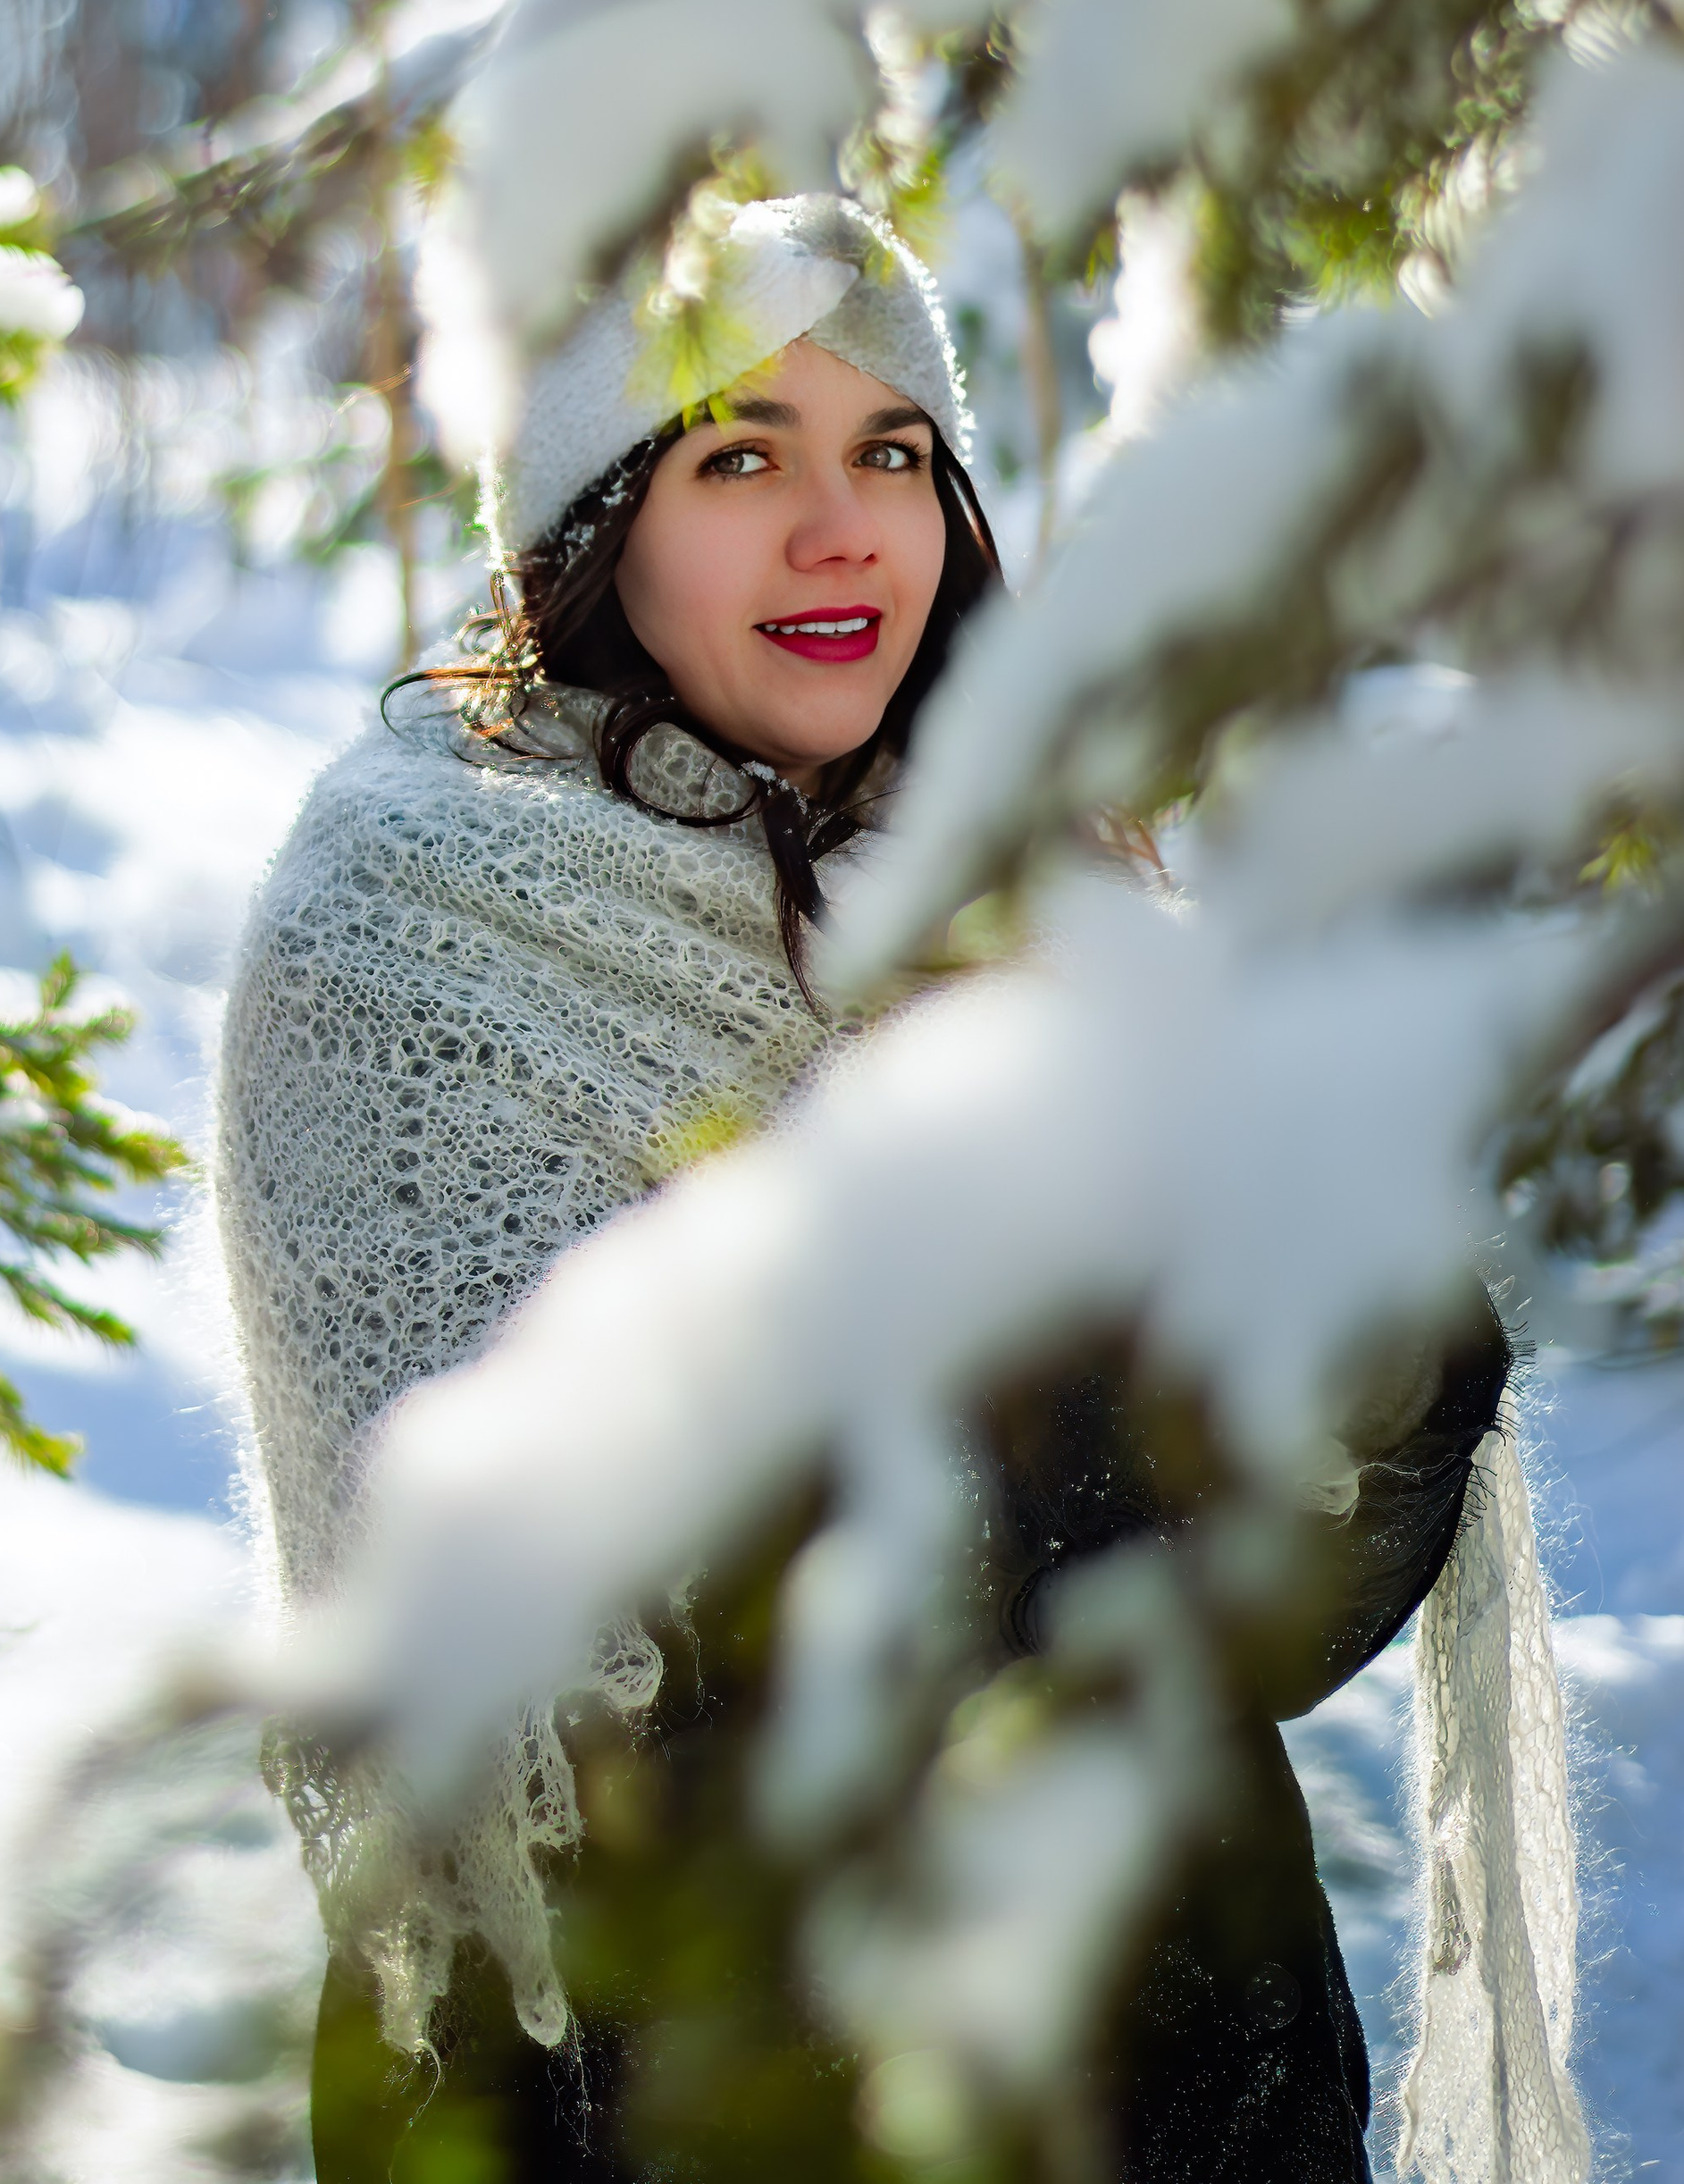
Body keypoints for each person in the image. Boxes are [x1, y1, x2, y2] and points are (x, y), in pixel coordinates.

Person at [213, 195, 1553, 2184]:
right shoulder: (408, 951)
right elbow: (606, 1709)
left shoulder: (1036, 891)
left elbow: (1254, 1619)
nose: (842, 530)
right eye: (738, 456)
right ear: (589, 525)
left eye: (894, 455)